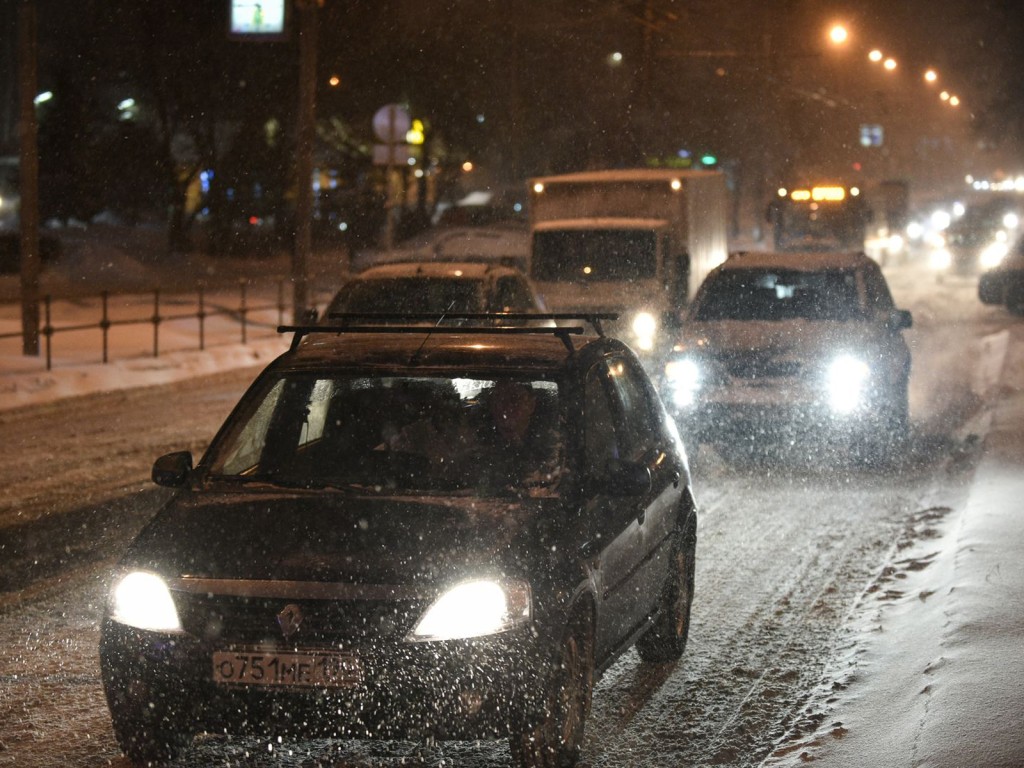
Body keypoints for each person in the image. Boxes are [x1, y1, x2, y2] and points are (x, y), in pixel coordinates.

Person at [480, 379, 562, 491]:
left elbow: (546, 484)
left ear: (531, 405)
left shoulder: (551, 443)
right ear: (492, 405)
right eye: (499, 400)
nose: (505, 408)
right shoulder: (479, 443)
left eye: (514, 399)